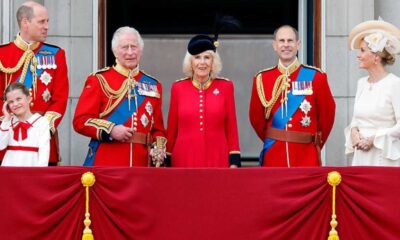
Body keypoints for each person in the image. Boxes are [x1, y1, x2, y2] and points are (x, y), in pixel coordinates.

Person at [73, 26, 166, 167]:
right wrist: (111, 129)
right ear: (115, 51)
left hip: (141, 164)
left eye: (134, 47)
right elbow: (81, 121)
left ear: (140, 51)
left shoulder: (153, 85)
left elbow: (158, 129)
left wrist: (158, 148)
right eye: (124, 47)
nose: (130, 52)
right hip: (107, 162)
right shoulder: (98, 80)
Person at [249, 25, 336, 167]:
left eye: (290, 41)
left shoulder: (316, 77)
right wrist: (275, 138)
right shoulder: (262, 78)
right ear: (274, 45)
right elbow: (256, 119)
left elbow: (327, 116)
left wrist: (312, 141)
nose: (286, 45)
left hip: (306, 155)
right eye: (281, 41)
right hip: (274, 155)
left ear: (298, 44)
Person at [0, 1, 69, 166]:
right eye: (41, 22)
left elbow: (60, 99)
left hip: (42, 142)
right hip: (8, 139)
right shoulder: (3, 54)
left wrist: (42, 127)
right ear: (25, 22)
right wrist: (9, 123)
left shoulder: (56, 54)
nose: (47, 26)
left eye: (48, 21)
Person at [166, 34, 241, 168]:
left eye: (207, 57)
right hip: (184, 158)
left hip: (218, 157)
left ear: (213, 62)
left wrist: (234, 160)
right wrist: (167, 158)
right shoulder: (178, 88)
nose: (202, 62)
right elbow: (172, 129)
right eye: (197, 57)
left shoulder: (226, 87)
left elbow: (231, 127)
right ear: (190, 62)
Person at [345, 19, 400, 166]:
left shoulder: (395, 84)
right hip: (361, 157)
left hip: (384, 158)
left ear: (376, 57)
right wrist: (354, 133)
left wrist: (374, 139)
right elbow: (356, 120)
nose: (358, 55)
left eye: (363, 50)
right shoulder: (361, 84)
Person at [0, 82, 50, 166]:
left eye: (18, 99)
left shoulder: (41, 122)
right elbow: (1, 146)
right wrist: (6, 119)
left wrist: (41, 174)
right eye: (11, 102)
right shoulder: (7, 122)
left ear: (29, 99)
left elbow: (44, 151)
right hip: (9, 169)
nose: (15, 104)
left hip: (31, 169)